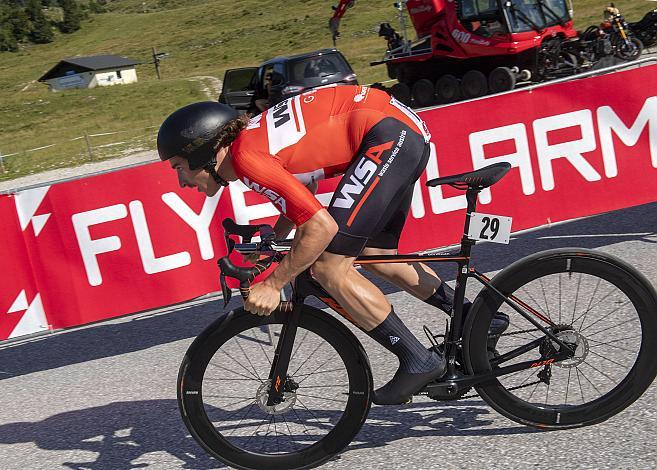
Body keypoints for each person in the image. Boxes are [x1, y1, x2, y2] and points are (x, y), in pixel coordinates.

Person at [157, 85, 508, 405]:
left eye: (179, 167)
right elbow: (302, 199)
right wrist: (275, 242)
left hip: (386, 135)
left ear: (203, 151)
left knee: (327, 266)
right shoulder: (251, 146)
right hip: (400, 130)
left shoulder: (247, 158)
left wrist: (275, 282)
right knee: (376, 256)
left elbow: (319, 226)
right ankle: (475, 317)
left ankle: (418, 360)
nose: (182, 181)